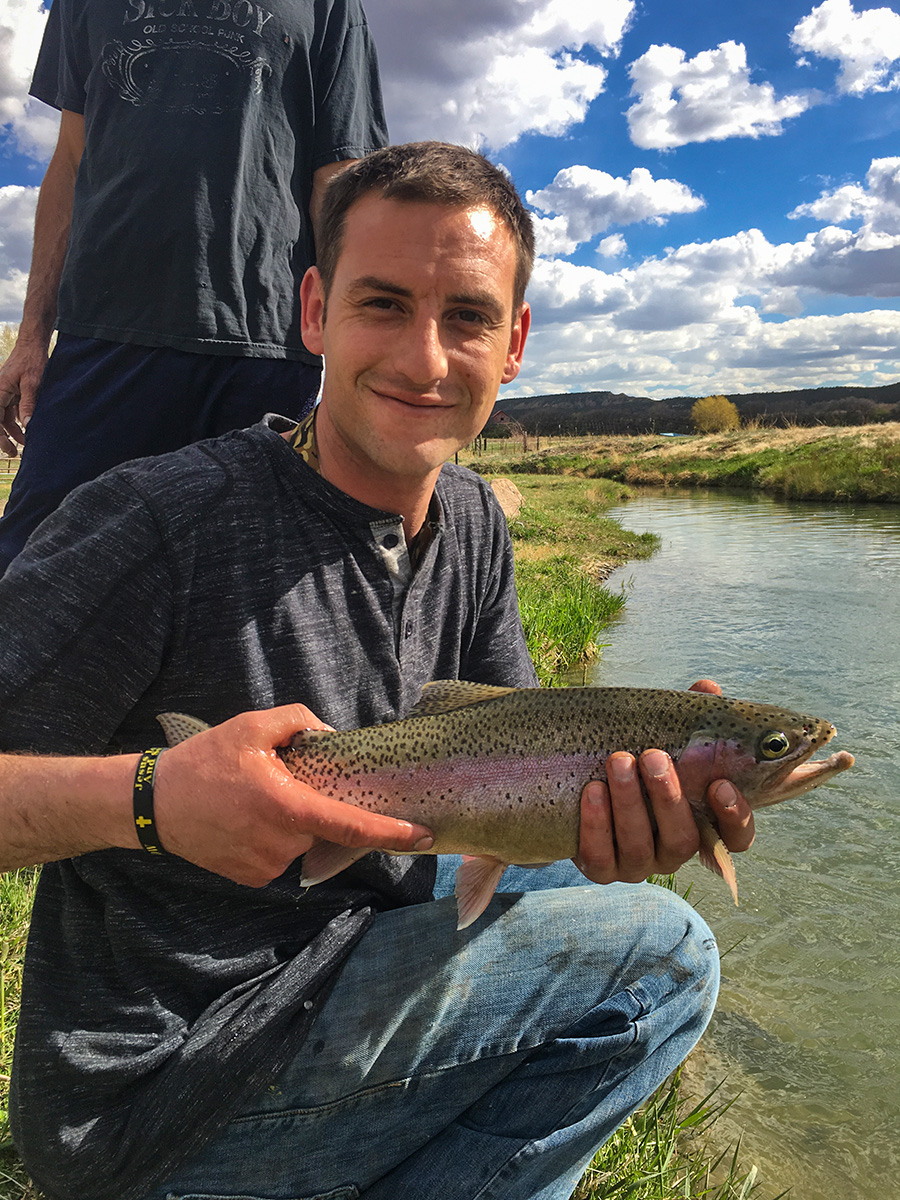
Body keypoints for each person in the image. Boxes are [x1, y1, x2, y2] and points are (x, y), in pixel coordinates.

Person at [0, 142, 755, 1200]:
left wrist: (612, 821)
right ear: (314, 311)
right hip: (162, 1090)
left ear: (518, 341)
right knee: (666, 957)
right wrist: (146, 799)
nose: (426, 361)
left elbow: (508, 774)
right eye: (384, 305)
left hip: (347, 937)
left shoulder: (476, 524)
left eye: (469, 319)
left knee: (586, 892)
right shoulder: (158, 523)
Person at [0, 0, 388, 573]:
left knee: (238, 596)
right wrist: (31, 336)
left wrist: (356, 343)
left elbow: (338, 180)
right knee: (34, 573)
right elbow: (71, 157)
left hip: (264, 346)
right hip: (102, 337)